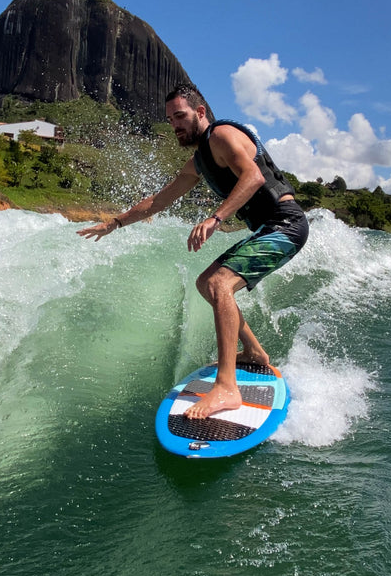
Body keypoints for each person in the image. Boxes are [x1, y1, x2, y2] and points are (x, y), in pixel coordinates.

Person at [77, 83, 309, 419]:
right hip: (270, 228)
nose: (175, 125)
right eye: (170, 119)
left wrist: (216, 218)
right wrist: (115, 223)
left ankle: (227, 388)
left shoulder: (222, 135)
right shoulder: (200, 161)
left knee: (219, 284)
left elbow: (254, 177)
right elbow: (158, 201)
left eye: (181, 116)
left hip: (286, 225)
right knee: (207, 284)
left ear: (200, 112)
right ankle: (255, 354)